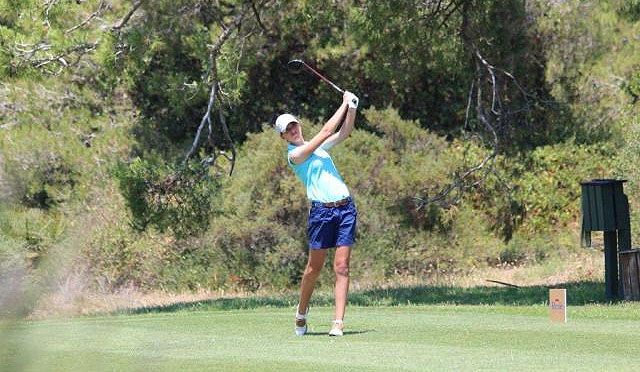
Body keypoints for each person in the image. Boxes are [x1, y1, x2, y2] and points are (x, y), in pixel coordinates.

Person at [274, 90, 359, 336]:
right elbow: (325, 132)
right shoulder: (295, 155)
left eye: (294, 125)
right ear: (283, 136)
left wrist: (352, 108)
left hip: (345, 208)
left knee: (342, 266)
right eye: (288, 130)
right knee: (314, 269)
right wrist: (343, 104)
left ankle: (338, 323)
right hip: (322, 214)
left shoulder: (320, 149)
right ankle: (301, 313)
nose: (293, 130)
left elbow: (344, 132)